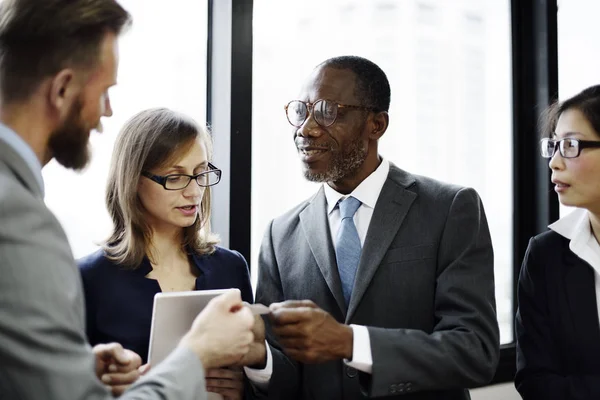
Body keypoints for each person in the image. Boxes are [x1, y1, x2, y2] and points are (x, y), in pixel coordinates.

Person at [0, 1, 255, 399]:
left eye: (200, 174)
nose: (107, 111)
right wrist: (195, 355)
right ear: (63, 89)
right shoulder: (22, 221)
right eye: (104, 91)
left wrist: (83, 371)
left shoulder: (230, 266)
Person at [246, 56, 500, 399]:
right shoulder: (280, 234)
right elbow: (285, 375)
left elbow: (475, 352)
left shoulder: (449, 208)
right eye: (301, 111)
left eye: (326, 111)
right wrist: (258, 360)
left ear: (376, 125)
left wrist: (349, 343)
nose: (306, 128)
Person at [79, 107, 253, 399]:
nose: (194, 192)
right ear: (134, 180)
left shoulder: (231, 267)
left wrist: (244, 388)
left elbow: (254, 366)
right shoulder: (87, 279)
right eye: (175, 177)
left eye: (201, 173)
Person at [515, 85, 600, 400]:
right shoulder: (545, 254)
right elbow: (534, 381)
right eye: (553, 146)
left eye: (570, 145)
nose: (554, 162)